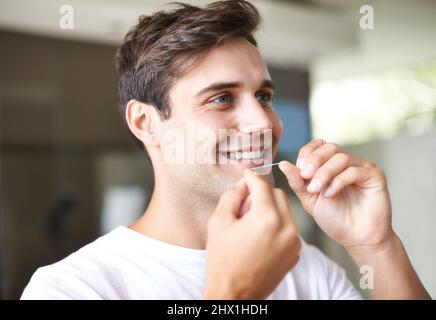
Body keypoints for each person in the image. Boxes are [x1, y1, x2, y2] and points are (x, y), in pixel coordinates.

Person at [22, 0, 429, 300]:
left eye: (264, 95)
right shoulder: (72, 288)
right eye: (221, 99)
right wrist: (232, 298)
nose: (264, 123)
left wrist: (375, 246)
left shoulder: (305, 266)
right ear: (146, 123)